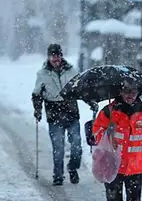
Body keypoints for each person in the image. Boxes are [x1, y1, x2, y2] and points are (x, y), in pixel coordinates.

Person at [32, 43, 98, 186]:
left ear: (62, 56)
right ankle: (58, 175)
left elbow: (81, 90)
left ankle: (73, 168)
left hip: (71, 112)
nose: (56, 59)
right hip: (54, 114)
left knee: (76, 146)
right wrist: (37, 109)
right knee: (58, 148)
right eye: (53, 56)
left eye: (58, 55)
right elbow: (37, 94)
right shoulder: (42, 74)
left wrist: (91, 102)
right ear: (49, 57)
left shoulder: (71, 71)